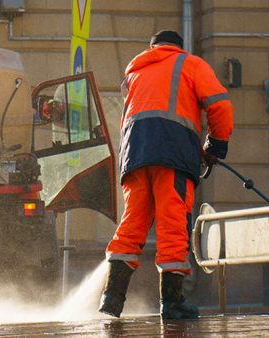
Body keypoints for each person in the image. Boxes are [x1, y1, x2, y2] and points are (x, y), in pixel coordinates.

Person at [99, 30, 234, 320]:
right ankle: (172, 303)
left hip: (135, 156)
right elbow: (220, 105)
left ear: (153, 49)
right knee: (173, 223)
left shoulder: (135, 73)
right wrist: (216, 146)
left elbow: (129, 119)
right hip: (171, 154)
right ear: (178, 47)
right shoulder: (191, 65)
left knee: (132, 224)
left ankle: (112, 298)